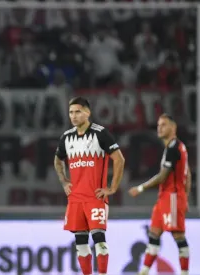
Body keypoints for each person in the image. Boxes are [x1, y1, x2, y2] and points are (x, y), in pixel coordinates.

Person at [54, 97, 125, 275]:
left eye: (78, 111)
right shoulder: (66, 137)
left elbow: (119, 159)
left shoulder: (100, 134)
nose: (74, 116)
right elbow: (57, 160)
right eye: (71, 112)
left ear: (88, 113)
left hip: (95, 197)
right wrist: (64, 181)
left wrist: (112, 188)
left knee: (99, 239)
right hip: (76, 198)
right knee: (81, 243)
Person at [129, 114, 191, 275]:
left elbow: (163, 176)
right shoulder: (175, 147)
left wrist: (141, 188)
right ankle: (144, 271)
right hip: (165, 197)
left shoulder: (173, 148)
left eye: (164, 125)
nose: (159, 128)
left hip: (172, 197)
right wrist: (187, 196)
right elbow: (188, 173)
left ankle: (185, 272)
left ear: (173, 128)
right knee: (154, 233)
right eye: (158, 125)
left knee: (178, 236)